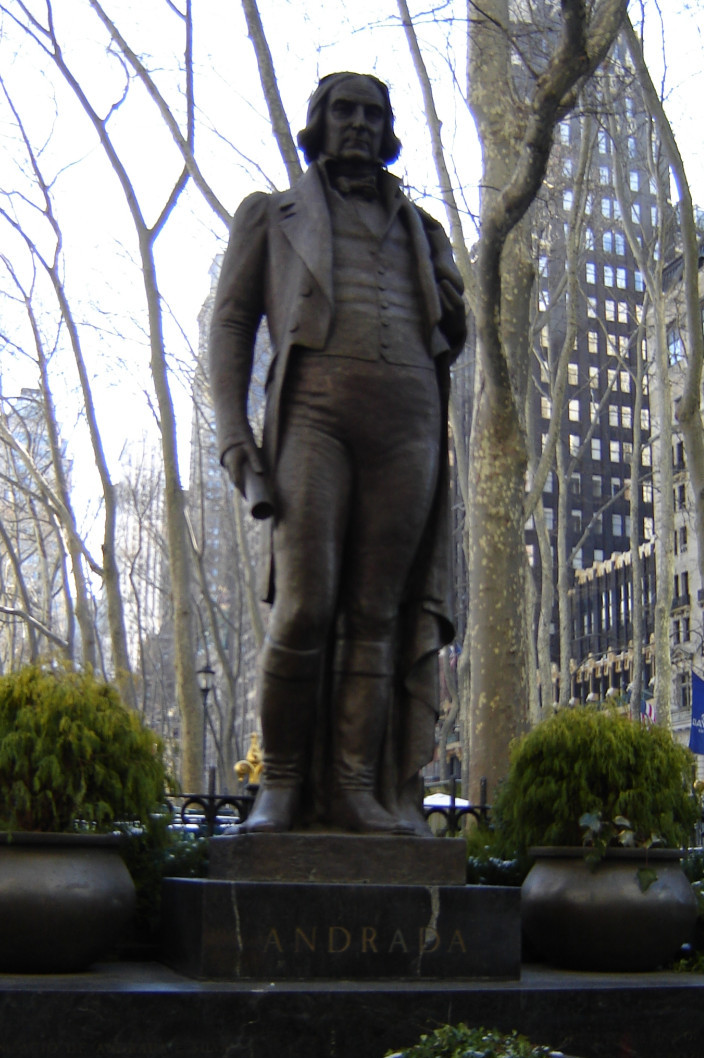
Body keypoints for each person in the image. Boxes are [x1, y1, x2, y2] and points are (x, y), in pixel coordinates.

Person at [210, 72, 466, 835]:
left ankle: (357, 788)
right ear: (317, 123)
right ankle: (282, 786)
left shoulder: (423, 229)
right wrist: (235, 436)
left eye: (373, 114)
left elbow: (453, 329)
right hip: (314, 414)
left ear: (389, 129)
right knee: (306, 605)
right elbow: (231, 325)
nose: (359, 124)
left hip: (409, 419)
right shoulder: (271, 215)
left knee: (376, 614)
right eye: (343, 111)